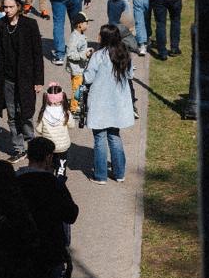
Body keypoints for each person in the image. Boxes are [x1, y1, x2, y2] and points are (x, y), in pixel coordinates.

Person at [16, 137, 79, 278]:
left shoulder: (15, 182)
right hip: (49, 253)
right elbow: (71, 214)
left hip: (19, 253)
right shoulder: (55, 186)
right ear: (49, 158)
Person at [0, 0, 44, 161]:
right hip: (6, 78)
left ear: (18, 7)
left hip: (26, 78)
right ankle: (18, 148)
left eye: (11, 7)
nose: (7, 10)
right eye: (5, 7)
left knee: (26, 112)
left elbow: (37, 53)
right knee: (12, 114)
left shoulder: (30, 25)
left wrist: (38, 80)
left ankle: (31, 144)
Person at [83, 24, 135, 183]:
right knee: (114, 136)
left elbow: (88, 78)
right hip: (117, 105)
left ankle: (100, 175)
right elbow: (130, 74)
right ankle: (119, 173)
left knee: (100, 139)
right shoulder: (124, 54)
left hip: (100, 103)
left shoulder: (98, 56)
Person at [33, 84, 71, 176]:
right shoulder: (65, 112)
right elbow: (71, 125)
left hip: (48, 146)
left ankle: (49, 179)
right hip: (62, 146)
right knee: (61, 165)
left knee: (48, 165)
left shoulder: (44, 113)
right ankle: (60, 180)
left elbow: (38, 129)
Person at [65, 13, 92, 114]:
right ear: (80, 25)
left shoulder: (80, 35)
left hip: (80, 68)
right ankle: (73, 107)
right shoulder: (74, 37)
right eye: (86, 23)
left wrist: (87, 51)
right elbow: (70, 54)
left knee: (80, 87)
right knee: (76, 88)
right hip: (76, 69)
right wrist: (84, 55)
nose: (88, 25)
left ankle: (77, 103)